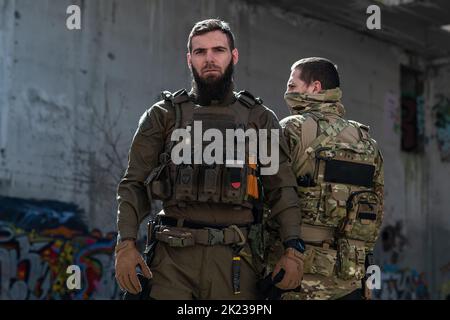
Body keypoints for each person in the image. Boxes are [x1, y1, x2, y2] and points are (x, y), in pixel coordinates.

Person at [114, 19, 305, 300]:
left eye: (218, 50)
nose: (210, 59)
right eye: (200, 52)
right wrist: (125, 244)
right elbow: (134, 182)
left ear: (234, 55)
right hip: (171, 262)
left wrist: (293, 249)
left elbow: (282, 188)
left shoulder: (258, 118)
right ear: (189, 58)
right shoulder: (163, 115)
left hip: (235, 262)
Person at [274, 57, 384, 300]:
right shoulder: (366, 141)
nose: (287, 92)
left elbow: (271, 194)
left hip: (299, 272)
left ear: (315, 87)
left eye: (292, 86)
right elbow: (376, 206)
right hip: (350, 274)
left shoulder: (291, 128)